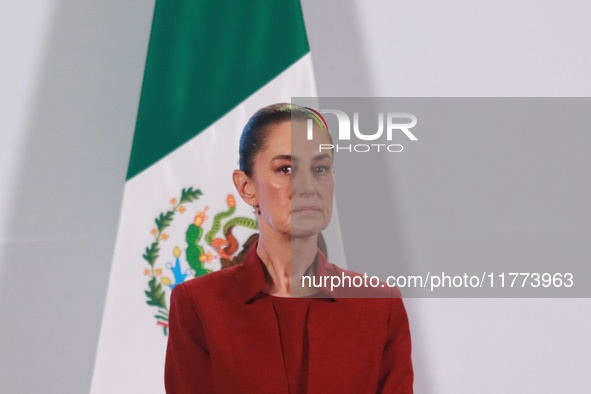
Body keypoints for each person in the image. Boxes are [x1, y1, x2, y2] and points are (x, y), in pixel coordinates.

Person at [164, 103, 413, 393]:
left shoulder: (379, 304)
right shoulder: (198, 304)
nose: (308, 186)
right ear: (246, 187)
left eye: (320, 168)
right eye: (285, 169)